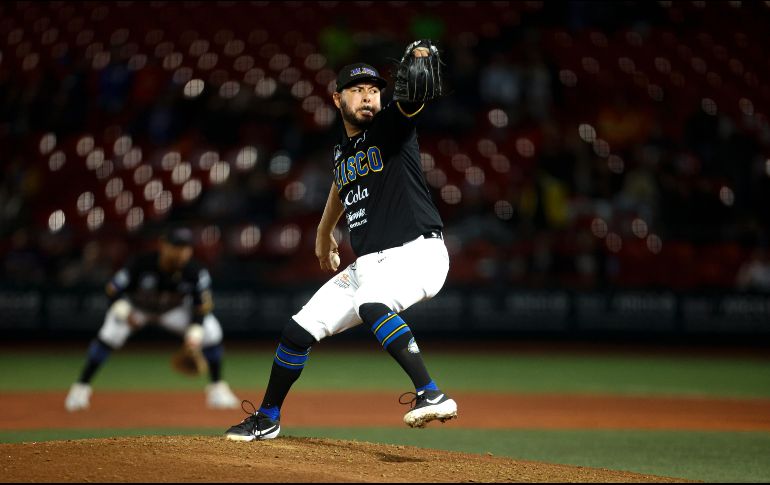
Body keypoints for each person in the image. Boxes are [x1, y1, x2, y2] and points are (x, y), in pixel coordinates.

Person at [225, 39, 457, 441]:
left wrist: (416, 70)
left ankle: (431, 393)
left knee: (372, 305)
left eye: (374, 90)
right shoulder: (343, 151)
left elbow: (409, 106)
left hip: (418, 252)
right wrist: (323, 230)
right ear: (337, 99)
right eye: (358, 90)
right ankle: (268, 417)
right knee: (298, 330)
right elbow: (340, 183)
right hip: (369, 265)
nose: (368, 96)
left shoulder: (391, 128)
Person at [64, 227, 239, 411]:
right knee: (109, 335)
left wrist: (193, 338)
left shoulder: (195, 271)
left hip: (173, 312)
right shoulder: (141, 263)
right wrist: (124, 312)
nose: (182, 252)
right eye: (177, 246)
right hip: (137, 310)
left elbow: (201, 306)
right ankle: (80, 389)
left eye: (186, 248)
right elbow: (112, 290)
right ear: (164, 245)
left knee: (211, 332)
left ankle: (217, 390)